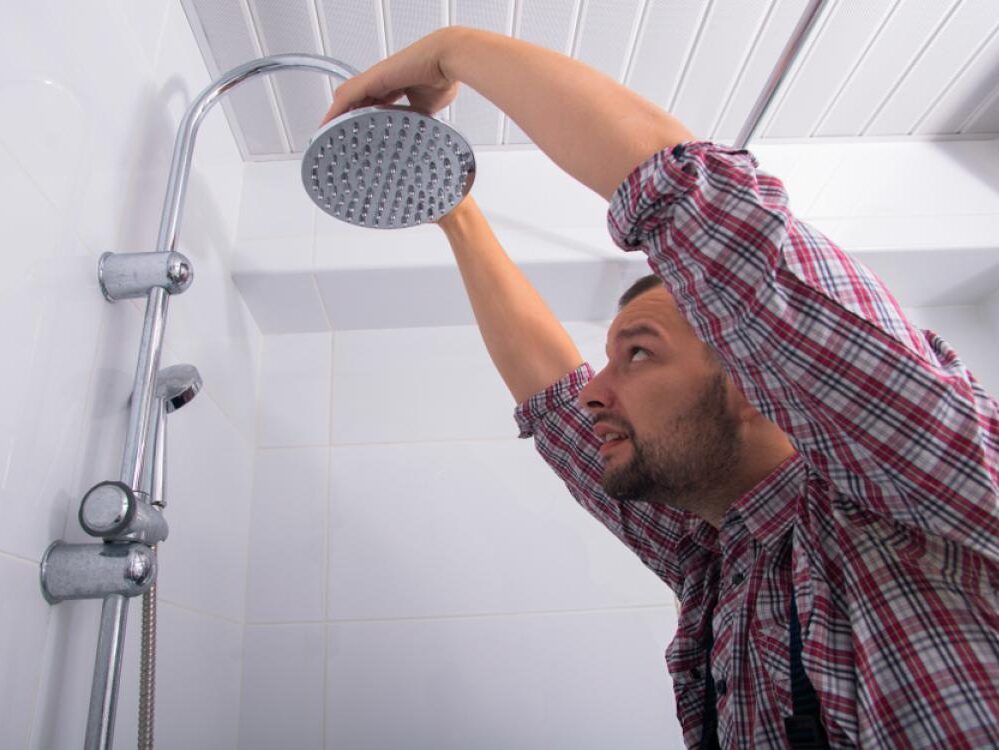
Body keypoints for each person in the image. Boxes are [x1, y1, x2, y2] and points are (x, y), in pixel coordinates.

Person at [323, 27, 999, 749]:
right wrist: (450, 204)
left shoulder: (915, 496)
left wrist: (450, 48)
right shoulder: (712, 559)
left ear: (751, 376)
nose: (593, 392)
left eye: (638, 354)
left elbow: (704, 215)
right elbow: (553, 399)